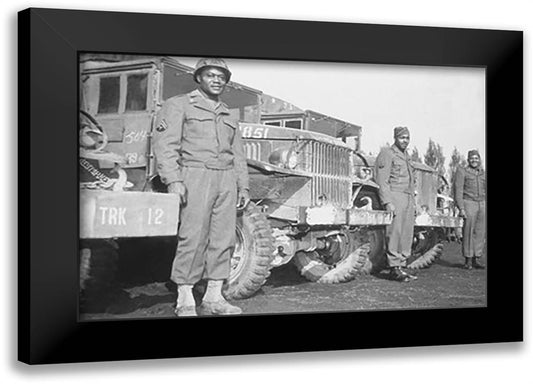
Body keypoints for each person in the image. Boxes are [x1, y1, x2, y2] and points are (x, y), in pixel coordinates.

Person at [153, 58, 250, 316]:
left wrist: (244, 186)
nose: (217, 80)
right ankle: (185, 297)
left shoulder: (229, 113)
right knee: (193, 237)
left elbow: (238, 154)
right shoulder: (179, 105)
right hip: (195, 175)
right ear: (199, 77)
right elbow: (166, 146)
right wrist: (173, 180)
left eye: (222, 76)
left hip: (226, 178)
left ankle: (214, 296)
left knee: (224, 238)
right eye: (211, 75)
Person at [375, 126, 418, 282]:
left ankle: (401, 266)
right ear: (395, 138)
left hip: (408, 198)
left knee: (406, 234)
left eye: (407, 138)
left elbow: (412, 181)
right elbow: (382, 180)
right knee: (395, 232)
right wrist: (387, 202)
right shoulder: (387, 154)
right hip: (395, 196)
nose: (405, 141)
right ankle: (394, 268)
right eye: (402, 137)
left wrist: (414, 202)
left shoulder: (406, 156)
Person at [453, 150, 486, 270]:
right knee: (468, 231)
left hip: (482, 203)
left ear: (480, 160)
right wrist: (461, 207)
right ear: (468, 160)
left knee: (480, 232)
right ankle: (468, 260)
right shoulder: (462, 172)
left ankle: (476, 258)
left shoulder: (483, 173)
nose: (474, 160)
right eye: (472, 158)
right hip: (469, 203)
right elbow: (458, 190)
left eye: (476, 158)